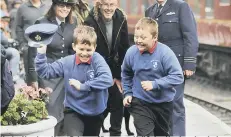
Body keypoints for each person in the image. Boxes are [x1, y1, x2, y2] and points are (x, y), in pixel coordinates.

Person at [34, 25, 113, 136]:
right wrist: (41, 53)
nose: (84, 53)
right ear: (74, 46)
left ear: (94, 48)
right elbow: (45, 72)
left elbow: (107, 79)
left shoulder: (97, 59)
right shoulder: (67, 62)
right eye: (81, 49)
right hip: (73, 110)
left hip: (95, 112)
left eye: (88, 50)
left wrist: (83, 86)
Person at [122, 17, 184, 136]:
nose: (138, 40)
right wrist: (128, 93)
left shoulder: (165, 53)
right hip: (140, 102)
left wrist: (155, 84)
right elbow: (126, 73)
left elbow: (177, 76)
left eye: (143, 37)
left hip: (163, 104)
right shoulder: (131, 52)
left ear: (154, 38)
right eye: (136, 37)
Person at [145, 0, 199, 135]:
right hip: (155, 65)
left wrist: (189, 63)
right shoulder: (150, 11)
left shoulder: (181, 6)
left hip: (176, 66)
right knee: (157, 104)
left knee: (175, 104)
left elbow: (190, 36)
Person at [27, 0, 77, 135]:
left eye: (68, 6)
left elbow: (74, 51)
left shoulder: (74, 22)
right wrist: (33, 80)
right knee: (52, 112)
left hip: (66, 73)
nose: (65, 9)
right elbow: (32, 54)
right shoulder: (41, 23)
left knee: (67, 112)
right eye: (61, 5)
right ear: (54, 5)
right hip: (47, 74)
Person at [84, 0, 130, 135]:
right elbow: (90, 50)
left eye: (112, 5)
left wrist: (118, 76)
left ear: (116, 5)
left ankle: (115, 133)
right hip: (96, 67)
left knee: (118, 99)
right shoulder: (90, 20)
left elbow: (124, 49)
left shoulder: (121, 18)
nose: (109, 8)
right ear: (99, 5)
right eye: (106, 4)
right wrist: (103, 75)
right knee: (98, 107)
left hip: (114, 67)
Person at [15, 0, 49, 85]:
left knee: (45, 79)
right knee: (31, 80)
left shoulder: (47, 7)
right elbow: (18, 27)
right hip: (29, 48)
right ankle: (33, 97)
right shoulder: (22, 8)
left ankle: (45, 96)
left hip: (45, 47)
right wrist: (23, 45)